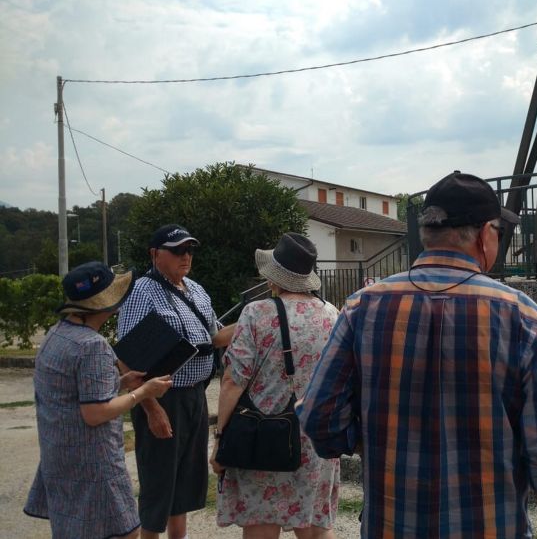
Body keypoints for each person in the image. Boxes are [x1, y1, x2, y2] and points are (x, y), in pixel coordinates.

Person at [297, 171, 537, 538]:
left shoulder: (362, 307)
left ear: (428, 233)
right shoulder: (521, 317)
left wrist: (365, 437)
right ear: (483, 234)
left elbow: (320, 416)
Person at [24, 262, 173, 538]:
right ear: (106, 304)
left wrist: (120, 383)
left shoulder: (55, 336)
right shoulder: (93, 346)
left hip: (60, 458)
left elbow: (69, 394)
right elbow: (95, 413)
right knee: (126, 532)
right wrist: (143, 392)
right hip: (94, 464)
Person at [210, 232, 340, 538]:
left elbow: (232, 381)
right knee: (314, 526)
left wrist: (220, 437)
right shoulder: (331, 314)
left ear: (274, 277)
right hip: (315, 439)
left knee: (262, 522)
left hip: (265, 435)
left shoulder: (256, 313)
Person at [117, 224, 235, 539]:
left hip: (195, 395)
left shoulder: (196, 289)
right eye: (178, 250)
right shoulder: (142, 292)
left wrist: (258, 316)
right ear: (155, 254)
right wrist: (151, 408)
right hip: (161, 398)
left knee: (184, 482)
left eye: (189, 250)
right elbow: (126, 357)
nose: (186, 256)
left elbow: (216, 336)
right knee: (158, 481)